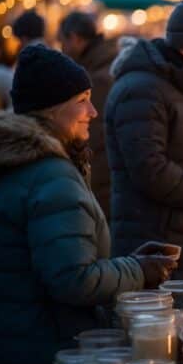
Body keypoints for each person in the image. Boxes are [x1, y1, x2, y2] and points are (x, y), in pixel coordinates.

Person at [0, 45, 175, 364]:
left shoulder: (17, 163)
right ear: (53, 109)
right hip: (37, 360)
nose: (93, 111)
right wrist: (138, 270)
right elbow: (72, 280)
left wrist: (127, 263)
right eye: (82, 100)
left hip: (5, 352)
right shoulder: (51, 176)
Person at [105, 0, 183, 274]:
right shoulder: (142, 89)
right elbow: (151, 171)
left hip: (177, 239)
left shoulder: (178, 84)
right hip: (154, 247)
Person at [58, 12, 117, 219]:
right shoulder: (104, 63)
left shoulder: (96, 77)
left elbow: (95, 139)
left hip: (103, 183)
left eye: (62, 41)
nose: (62, 48)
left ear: (74, 38)